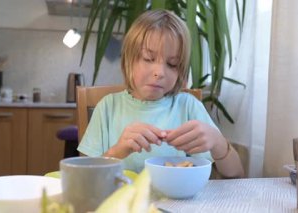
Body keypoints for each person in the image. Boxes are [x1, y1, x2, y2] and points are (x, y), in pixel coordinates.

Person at [78, 9, 244, 178]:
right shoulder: (108, 107)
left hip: (177, 202)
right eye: (148, 58)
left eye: (172, 64)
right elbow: (83, 176)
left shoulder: (188, 106)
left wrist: (218, 142)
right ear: (129, 60)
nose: (159, 72)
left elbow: (236, 174)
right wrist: (117, 151)